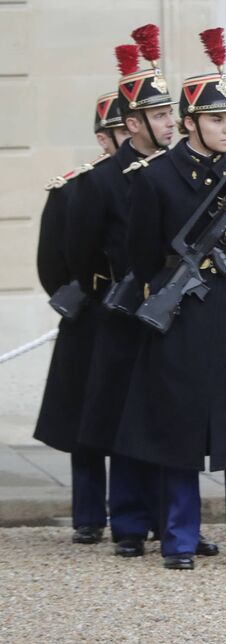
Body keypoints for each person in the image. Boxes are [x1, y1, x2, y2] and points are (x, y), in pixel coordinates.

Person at [116, 27, 226, 570]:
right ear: (189, 122)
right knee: (178, 432)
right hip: (181, 311)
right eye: (216, 119)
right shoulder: (157, 177)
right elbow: (142, 253)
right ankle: (179, 539)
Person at [71, 28, 180, 560]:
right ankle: (131, 524)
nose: (169, 125)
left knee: (169, 415)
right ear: (131, 124)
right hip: (122, 309)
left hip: (171, 307)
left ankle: (174, 522)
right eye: (158, 117)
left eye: (170, 115)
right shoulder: (99, 183)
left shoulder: (179, 170)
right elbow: (82, 255)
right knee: (125, 419)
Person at [33, 83, 129, 545]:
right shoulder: (74, 189)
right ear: (103, 138)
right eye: (115, 132)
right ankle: (89, 514)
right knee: (86, 418)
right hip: (92, 315)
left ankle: (137, 511)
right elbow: (53, 264)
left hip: (132, 311)